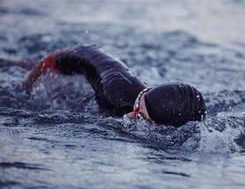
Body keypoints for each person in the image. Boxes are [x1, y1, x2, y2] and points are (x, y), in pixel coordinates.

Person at [23, 44, 206, 127]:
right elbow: (82, 52)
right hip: (69, 91)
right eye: (138, 108)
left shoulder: (187, 123)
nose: (131, 115)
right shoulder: (115, 88)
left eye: (141, 117)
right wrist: (29, 83)